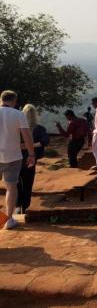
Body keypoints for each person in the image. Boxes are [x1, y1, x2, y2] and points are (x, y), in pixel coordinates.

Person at [0, 90, 35, 229]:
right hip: (13, 156)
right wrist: (32, 155)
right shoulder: (18, 114)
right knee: (11, 187)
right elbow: (26, 136)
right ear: (14, 101)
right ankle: (8, 220)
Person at [17, 104, 49, 214]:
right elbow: (44, 142)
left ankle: (19, 205)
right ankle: (24, 206)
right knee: (27, 183)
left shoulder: (17, 128)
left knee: (17, 183)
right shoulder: (39, 128)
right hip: (30, 158)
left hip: (17, 158)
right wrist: (30, 145)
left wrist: (24, 145)